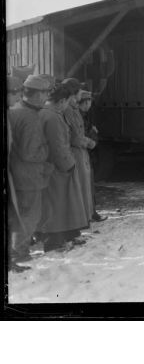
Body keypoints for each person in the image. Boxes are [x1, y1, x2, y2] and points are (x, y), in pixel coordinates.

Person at [8, 74, 53, 269]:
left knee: (20, 213)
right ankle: (20, 252)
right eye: (45, 93)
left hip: (16, 174)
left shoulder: (16, 110)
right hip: (29, 175)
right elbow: (30, 152)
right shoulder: (30, 117)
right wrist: (47, 152)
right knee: (30, 215)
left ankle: (17, 249)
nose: (47, 97)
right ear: (36, 94)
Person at [40, 83, 90, 252]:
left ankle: (63, 237)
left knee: (59, 204)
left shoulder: (48, 113)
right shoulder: (53, 117)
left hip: (53, 167)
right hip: (58, 169)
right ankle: (55, 240)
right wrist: (69, 165)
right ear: (61, 101)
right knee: (60, 205)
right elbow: (58, 146)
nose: (70, 104)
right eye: (69, 101)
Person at [62, 78, 96, 222]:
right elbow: (75, 137)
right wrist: (89, 142)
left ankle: (83, 221)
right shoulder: (68, 110)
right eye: (79, 92)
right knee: (78, 190)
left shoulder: (72, 108)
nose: (81, 95)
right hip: (76, 153)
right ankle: (79, 222)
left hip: (80, 153)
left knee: (83, 187)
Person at [78, 89, 106, 222]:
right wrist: (93, 133)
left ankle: (91, 212)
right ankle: (90, 213)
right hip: (83, 153)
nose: (90, 104)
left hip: (84, 154)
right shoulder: (80, 116)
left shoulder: (82, 115)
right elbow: (85, 137)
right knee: (87, 185)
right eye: (88, 101)